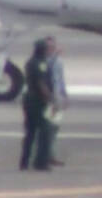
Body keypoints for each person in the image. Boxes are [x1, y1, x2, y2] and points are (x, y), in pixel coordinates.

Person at [19, 39, 52, 171]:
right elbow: (41, 83)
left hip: (28, 100)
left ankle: (24, 161)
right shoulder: (41, 63)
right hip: (38, 101)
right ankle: (40, 162)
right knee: (44, 132)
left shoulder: (29, 62)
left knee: (30, 133)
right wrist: (50, 97)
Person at [44, 35, 67, 167]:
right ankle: (45, 155)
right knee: (46, 128)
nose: (51, 49)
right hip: (48, 98)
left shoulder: (58, 61)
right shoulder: (44, 61)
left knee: (54, 128)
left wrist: (64, 95)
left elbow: (61, 79)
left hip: (57, 98)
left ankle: (51, 155)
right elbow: (46, 72)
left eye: (52, 46)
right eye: (49, 47)